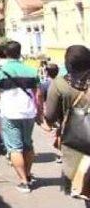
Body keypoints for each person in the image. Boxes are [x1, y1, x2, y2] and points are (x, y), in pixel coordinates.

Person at [0, 41, 39, 193]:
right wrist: (40, 111)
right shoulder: (31, 70)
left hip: (10, 112)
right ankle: (28, 174)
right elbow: (38, 93)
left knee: (15, 148)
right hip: (29, 112)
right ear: (19, 52)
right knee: (28, 144)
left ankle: (24, 182)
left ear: (6, 53)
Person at [45, 45, 90, 199]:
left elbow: (50, 115)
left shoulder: (59, 84)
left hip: (75, 140)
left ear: (68, 64)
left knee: (83, 182)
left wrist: (50, 124)